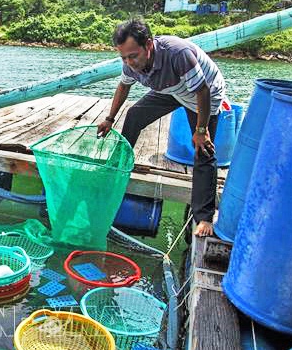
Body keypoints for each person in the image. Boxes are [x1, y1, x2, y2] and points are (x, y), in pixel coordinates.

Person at [97, 19, 228, 237]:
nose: (129, 62)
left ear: (148, 45)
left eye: (133, 56)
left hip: (203, 94)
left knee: (203, 150)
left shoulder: (178, 54)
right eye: (124, 57)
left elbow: (202, 90)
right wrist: (110, 118)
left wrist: (201, 130)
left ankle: (204, 217)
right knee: (135, 115)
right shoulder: (130, 62)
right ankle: (118, 166)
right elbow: (123, 86)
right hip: (173, 89)